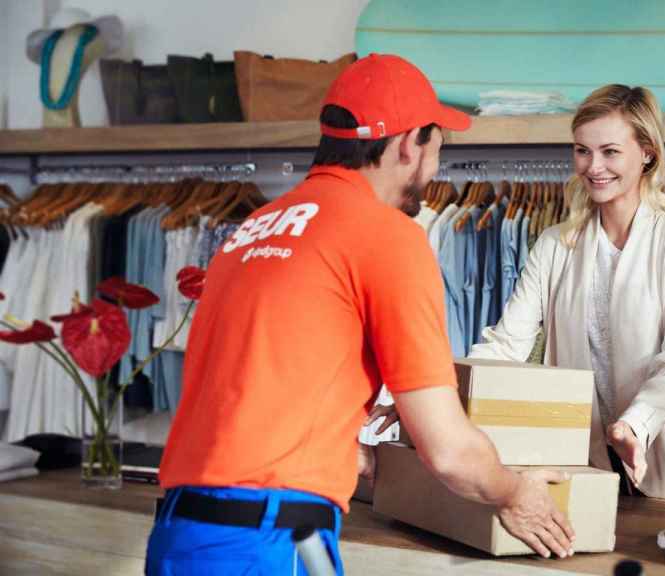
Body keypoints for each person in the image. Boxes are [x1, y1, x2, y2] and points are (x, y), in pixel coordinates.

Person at [145, 54, 574, 575]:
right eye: (437, 147)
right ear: (408, 144)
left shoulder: (255, 226)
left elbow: (254, 393)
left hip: (179, 533)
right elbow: (450, 452)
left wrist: (341, 446)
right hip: (269, 538)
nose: (435, 170)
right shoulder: (387, 236)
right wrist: (514, 493)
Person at [470, 85, 665, 499]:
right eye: (582, 151)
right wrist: (435, 393)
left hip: (659, 447)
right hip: (576, 452)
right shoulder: (555, 244)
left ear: (647, 153)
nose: (593, 166)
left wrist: (633, 425)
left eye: (610, 151)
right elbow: (506, 345)